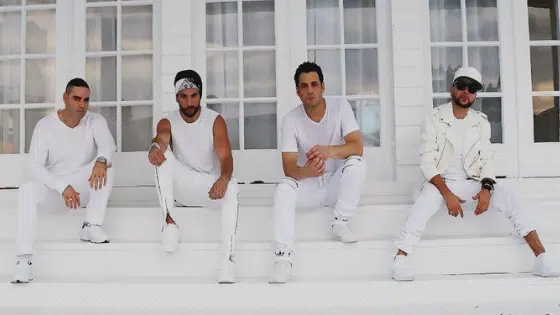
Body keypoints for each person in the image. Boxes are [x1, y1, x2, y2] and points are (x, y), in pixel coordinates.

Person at [391, 66, 559, 281]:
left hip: (470, 181)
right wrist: (447, 194)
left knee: (509, 195)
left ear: (476, 95)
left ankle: (542, 258)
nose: (466, 92)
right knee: (424, 202)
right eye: (461, 86)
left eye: (472, 89)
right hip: (440, 182)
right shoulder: (434, 118)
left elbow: (486, 158)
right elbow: (426, 161)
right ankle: (400, 260)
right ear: (452, 89)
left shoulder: (480, 121)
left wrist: (487, 188)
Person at [269, 62, 366, 284]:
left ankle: (340, 221)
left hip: (336, 185)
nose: (310, 90)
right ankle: (283, 257)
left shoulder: (340, 106)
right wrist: (306, 171)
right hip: (311, 187)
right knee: (283, 187)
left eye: (314, 84)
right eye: (304, 86)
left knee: (357, 164)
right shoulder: (291, 120)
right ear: (297, 91)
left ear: (323, 86)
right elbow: (289, 168)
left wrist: (328, 151)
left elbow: (356, 147)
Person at [12, 78, 116, 284]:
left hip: (82, 185)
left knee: (107, 165)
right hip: (56, 190)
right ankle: (24, 260)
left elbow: (108, 145)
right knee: (26, 190)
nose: (81, 105)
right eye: (76, 99)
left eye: (86, 100)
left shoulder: (95, 121)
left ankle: (91, 225)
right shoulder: (46, 126)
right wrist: (62, 186)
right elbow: (35, 167)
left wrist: (101, 160)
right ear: (65, 98)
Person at [148, 69, 239, 284]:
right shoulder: (167, 120)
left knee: (233, 187)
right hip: (181, 187)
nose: (189, 102)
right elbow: (161, 138)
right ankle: (169, 223)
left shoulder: (214, 120)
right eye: (183, 96)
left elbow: (225, 156)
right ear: (176, 97)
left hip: (209, 190)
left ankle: (227, 261)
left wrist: (224, 178)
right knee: (162, 156)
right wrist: (154, 146)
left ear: (200, 95)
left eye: (193, 96)